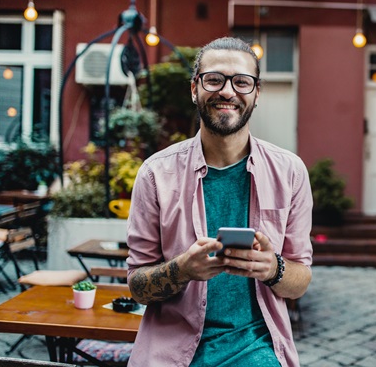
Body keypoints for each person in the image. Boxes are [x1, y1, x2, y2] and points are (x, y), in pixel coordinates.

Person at [125, 37, 313, 367]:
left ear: (256, 94)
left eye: (242, 82)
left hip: (257, 350)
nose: (227, 91)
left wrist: (273, 268)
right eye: (214, 79)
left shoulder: (290, 172)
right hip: (170, 353)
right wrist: (183, 269)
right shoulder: (156, 173)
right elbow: (138, 287)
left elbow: (300, 281)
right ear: (194, 88)